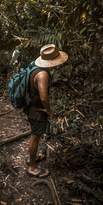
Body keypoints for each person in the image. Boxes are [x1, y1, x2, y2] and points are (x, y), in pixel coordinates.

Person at [24, 44, 68, 178]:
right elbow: (43, 97)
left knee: (35, 135)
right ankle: (32, 167)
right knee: (35, 136)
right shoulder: (43, 74)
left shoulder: (34, 68)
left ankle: (32, 159)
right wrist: (48, 110)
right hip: (37, 110)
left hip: (31, 107)